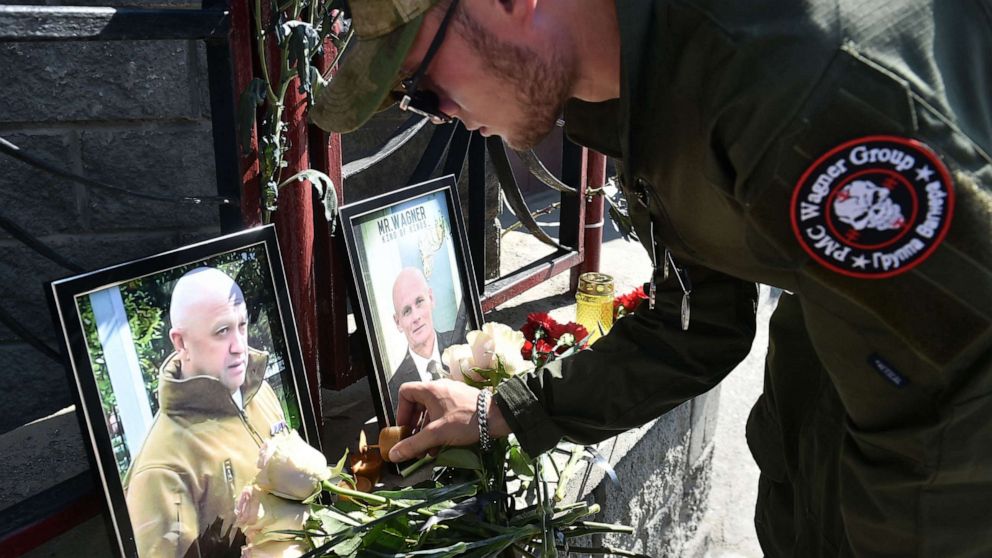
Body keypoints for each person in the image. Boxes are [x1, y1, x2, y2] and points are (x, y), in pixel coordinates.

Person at [311, 1, 992, 556]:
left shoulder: (800, 84)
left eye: (423, 84)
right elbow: (697, 325)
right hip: (841, 423)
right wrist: (506, 411)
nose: (441, 112)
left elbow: (950, 412)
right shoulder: (632, 80)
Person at [123, 267, 287, 558]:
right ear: (181, 342)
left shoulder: (260, 392)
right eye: (222, 331)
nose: (240, 347)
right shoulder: (160, 470)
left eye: (242, 325)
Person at [387, 267, 457, 407]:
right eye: (407, 311)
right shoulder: (394, 390)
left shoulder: (465, 344)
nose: (416, 317)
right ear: (398, 322)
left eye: (419, 302)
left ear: (431, 299)